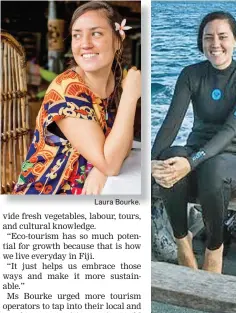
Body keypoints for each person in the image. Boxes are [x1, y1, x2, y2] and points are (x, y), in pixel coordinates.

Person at [151, 11, 236, 274]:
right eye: (208, 37)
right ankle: (182, 241)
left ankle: (214, 248)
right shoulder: (190, 74)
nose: (215, 43)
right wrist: (153, 162)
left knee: (214, 168)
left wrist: (190, 163)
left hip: (235, 160)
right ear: (201, 42)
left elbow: (229, 131)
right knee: (169, 159)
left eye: (223, 36)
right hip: (197, 156)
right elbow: (171, 123)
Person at [13, 1, 141, 195]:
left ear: (117, 40)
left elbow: (122, 145)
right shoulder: (68, 89)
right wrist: (131, 97)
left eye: (96, 33)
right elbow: (111, 163)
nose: (85, 44)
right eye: (77, 35)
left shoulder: (116, 81)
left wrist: (101, 167)